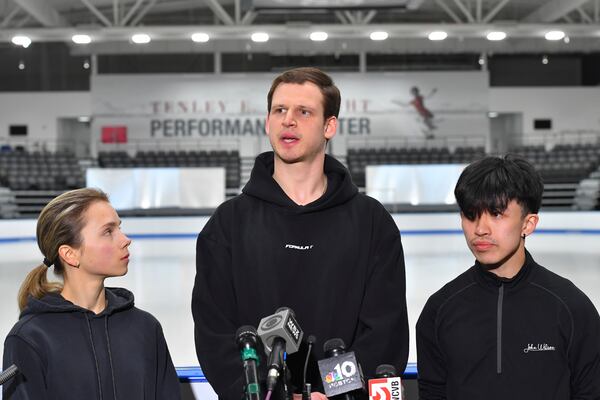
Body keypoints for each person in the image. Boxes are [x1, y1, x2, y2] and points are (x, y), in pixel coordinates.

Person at [192, 67, 409, 399]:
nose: (287, 120)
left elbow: (384, 332)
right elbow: (214, 333)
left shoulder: (371, 222)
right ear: (267, 122)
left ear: (329, 126)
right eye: (279, 110)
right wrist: (275, 395)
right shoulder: (228, 224)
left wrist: (331, 394)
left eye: (303, 112)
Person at [416, 155, 600, 399]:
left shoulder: (572, 308)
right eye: (470, 214)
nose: (480, 229)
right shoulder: (439, 310)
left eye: (496, 214)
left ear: (528, 223)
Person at [2, 188, 180, 399]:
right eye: (108, 231)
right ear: (70, 254)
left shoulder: (146, 328)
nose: (125, 239)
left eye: (119, 228)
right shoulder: (29, 338)